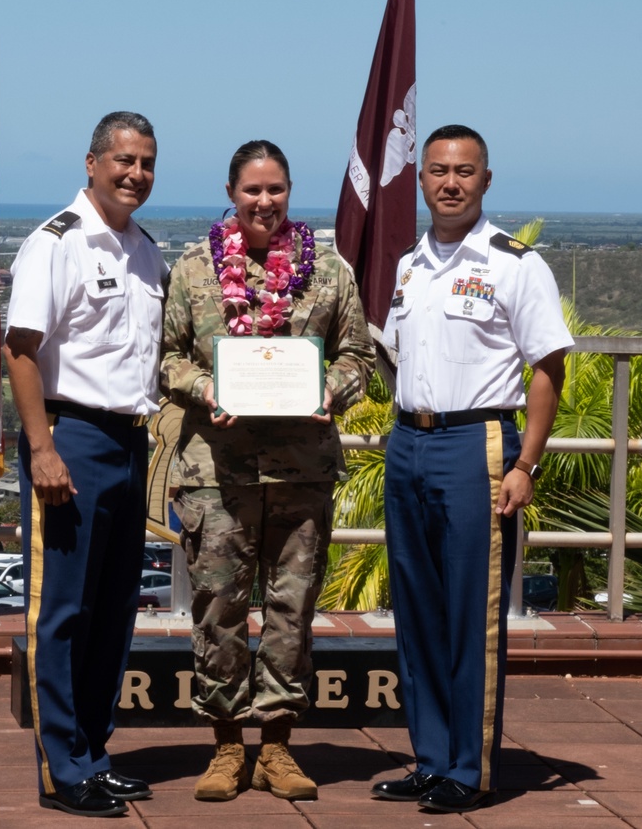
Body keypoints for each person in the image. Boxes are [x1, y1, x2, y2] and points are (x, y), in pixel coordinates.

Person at [161, 139, 374, 803]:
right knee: (219, 608)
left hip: (301, 472)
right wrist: (208, 389)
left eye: (276, 189)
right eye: (252, 189)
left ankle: (277, 744)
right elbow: (166, 358)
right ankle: (227, 746)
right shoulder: (194, 268)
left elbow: (357, 358)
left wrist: (327, 390)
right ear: (231, 192)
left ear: (289, 192)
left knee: (292, 609)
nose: (264, 201)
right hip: (215, 473)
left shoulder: (329, 271)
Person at [370, 124, 573, 814]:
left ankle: (471, 764)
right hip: (408, 443)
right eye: (437, 171)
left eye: (464, 171)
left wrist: (527, 462)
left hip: (477, 446)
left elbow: (549, 366)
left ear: (486, 179)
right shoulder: (409, 264)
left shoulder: (516, 262)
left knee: (471, 612)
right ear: (420, 180)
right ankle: (430, 757)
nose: (449, 182)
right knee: (418, 611)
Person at [4, 111, 168, 818]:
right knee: (64, 610)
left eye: (147, 163)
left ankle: (95, 753)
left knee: (112, 612)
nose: (135, 174)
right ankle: (61, 768)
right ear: (92, 162)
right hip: (70, 439)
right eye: (123, 160)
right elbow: (20, 349)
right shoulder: (55, 244)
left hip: (130, 441)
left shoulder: (145, 250)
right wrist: (42, 447)